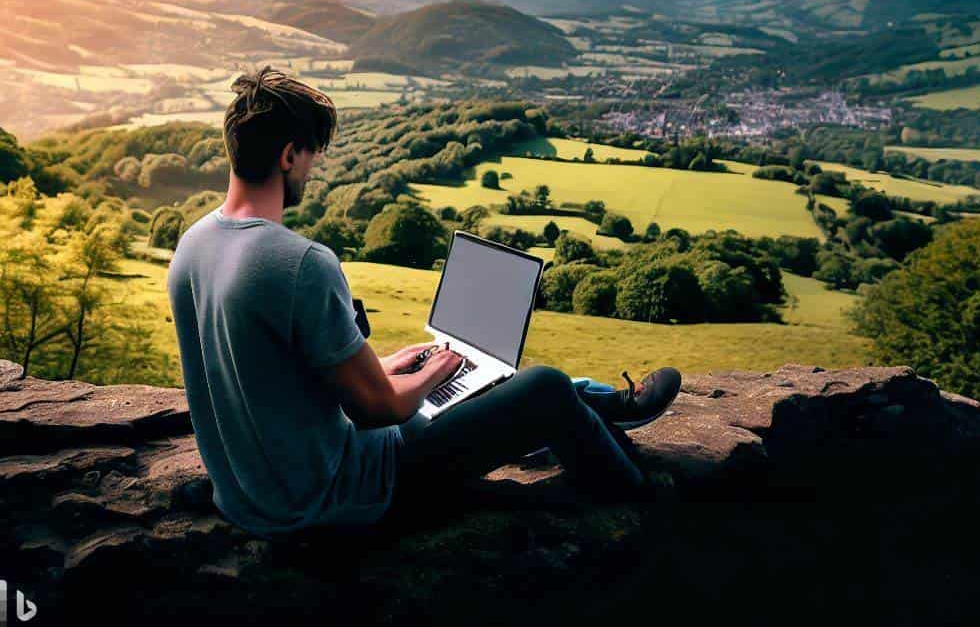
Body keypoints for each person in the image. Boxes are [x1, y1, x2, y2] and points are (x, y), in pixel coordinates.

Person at [167, 65, 681, 540]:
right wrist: (442, 369)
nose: (312, 171)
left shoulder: (193, 246)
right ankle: (637, 500)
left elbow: (279, 377)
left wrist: (391, 366)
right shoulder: (300, 262)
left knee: (484, 382)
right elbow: (378, 410)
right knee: (542, 388)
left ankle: (613, 408)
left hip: (252, 496)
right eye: (313, 157)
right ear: (288, 156)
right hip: (347, 498)